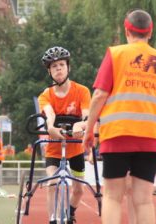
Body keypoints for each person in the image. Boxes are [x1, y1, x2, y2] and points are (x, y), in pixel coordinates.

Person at [83, 9, 156, 224]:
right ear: (150, 32)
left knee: (112, 197)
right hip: (151, 138)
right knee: (144, 200)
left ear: (126, 30)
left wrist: (90, 131)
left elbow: (99, 95)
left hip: (117, 134)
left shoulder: (115, 54)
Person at [38, 46, 91, 224]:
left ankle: (71, 212)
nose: (58, 68)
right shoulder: (46, 95)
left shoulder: (82, 91)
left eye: (61, 64)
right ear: (49, 71)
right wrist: (51, 126)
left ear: (68, 67)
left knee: (78, 190)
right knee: (51, 183)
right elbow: (49, 114)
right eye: (54, 66)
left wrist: (80, 124)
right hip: (54, 147)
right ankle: (52, 219)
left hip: (75, 147)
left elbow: (86, 116)